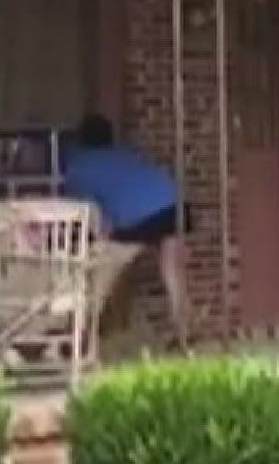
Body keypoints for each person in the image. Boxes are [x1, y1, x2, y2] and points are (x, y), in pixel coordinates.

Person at [61, 114, 190, 347]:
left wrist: (103, 238)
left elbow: (87, 214)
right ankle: (184, 333)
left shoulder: (78, 168)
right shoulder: (123, 153)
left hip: (137, 217)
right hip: (172, 201)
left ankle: (82, 336)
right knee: (172, 270)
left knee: (100, 274)